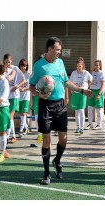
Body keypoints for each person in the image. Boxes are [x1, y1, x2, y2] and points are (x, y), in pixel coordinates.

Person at [29, 36, 92, 185]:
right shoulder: (39, 65)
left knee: (64, 139)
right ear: (49, 49)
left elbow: (66, 82)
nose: (59, 52)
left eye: (60, 50)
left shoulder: (60, 63)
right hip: (45, 105)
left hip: (60, 105)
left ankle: (56, 160)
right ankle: (46, 174)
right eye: (57, 49)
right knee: (46, 139)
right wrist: (39, 94)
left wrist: (82, 90)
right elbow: (31, 86)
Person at [3, 53, 27, 144]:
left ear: (11, 61)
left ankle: (7, 136)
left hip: (14, 96)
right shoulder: (3, 70)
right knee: (8, 117)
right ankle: (12, 135)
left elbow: (24, 80)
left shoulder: (15, 69)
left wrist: (16, 86)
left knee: (10, 116)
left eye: (8, 62)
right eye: (5, 62)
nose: (7, 64)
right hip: (6, 97)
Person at [69, 57, 92, 134]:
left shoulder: (86, 73)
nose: (78, 68)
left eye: (80, 66)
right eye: (77, 66)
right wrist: (71, 89)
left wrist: (87, 87)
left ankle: (81, 127)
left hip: (82, 94)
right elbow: (70, 82)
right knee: (76, 111)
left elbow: (91, 80)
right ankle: (78, 127)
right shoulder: (73, 73)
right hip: (75, 94)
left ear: (83, 66)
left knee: (81, 111)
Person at [86, 60, 105, 130]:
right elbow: (90, 82)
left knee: (98, 109)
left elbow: (103, 84)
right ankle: (90, 124)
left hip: (98, 91)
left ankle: (99, 125)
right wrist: (87, 89)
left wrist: (99, 94)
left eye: (97, 65)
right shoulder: (92, 73)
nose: (96, 66)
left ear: (100, 66)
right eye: (95, 65)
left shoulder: (101, 73)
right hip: (92, 91)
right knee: (90, 108)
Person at [18, 58, 31, 137]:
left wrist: (24, 89)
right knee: (21, 114)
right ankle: (26, 127)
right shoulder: (17, 73)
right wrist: (19, 88)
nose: (24, 67)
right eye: (22, 65)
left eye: (25, 66)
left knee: (23, 113)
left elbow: (30, 85)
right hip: (18, 96)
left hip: (26, 96)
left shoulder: (28, 75)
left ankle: (21, 130)